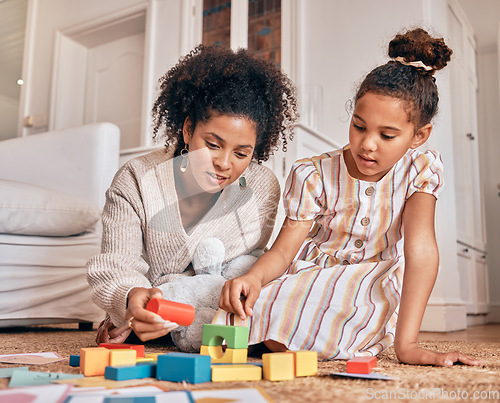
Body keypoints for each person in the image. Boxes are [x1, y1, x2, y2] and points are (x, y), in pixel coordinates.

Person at [218, 28, 481, 366]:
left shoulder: (420, 170)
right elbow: (284, 250)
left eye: (387, 135)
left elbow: (421, 249)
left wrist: (409, 344)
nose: (368, 144)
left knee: (330, 322)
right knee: (243, 311)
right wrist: (253, 278)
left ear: (419, 136)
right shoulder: (312, 174)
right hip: (309, 275)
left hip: (367, 282)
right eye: (359, 126)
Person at [86, 44, 298, 345]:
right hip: (156, 309)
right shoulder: (136, 179)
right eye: (212, 144)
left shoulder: (262, 187)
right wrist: (132, 298)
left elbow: (241, 267)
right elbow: (116, 263)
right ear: (188, 129)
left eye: (241, 153)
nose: (224, 164)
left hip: (214, 316)